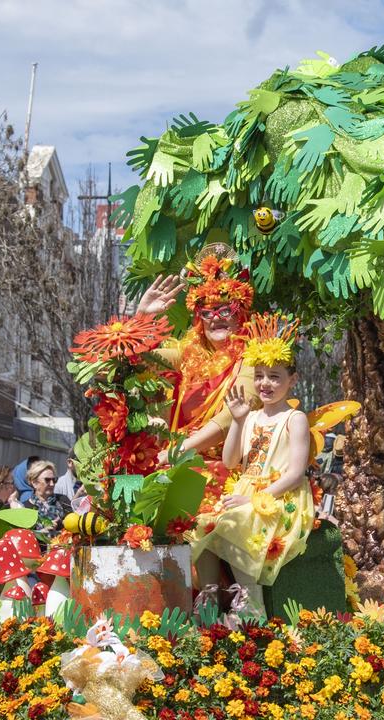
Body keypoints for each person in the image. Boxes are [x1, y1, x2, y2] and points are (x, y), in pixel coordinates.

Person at [188, 314, 314, 611]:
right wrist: (238, 420)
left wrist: (254, 497)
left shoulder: (294, 419)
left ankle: (250, 607)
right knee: (203, 526)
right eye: (259, 375)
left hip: (278, 497)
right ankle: (211, 603)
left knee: (236, 523)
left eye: (274, 376)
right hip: (245, 494)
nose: (265, 383)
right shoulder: (252, 415)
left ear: (292, 380)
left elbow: (296, 473)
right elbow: (230, 461)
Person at [136, 247, 262, 457]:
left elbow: (234, 412)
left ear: (240, 314)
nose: (215, 318)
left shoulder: (255, 356)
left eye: (225, 310)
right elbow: (136, 362)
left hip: (227, 470)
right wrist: (142, 318)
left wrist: (179, 451)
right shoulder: (186, 354)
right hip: (175, 464)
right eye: (207, 312)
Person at [21, 461, 73, 537]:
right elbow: (24, 536)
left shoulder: (63, 500)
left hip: (63, 547)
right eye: (47, 480)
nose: (52, 484)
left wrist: (63, 523)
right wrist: (41, 532)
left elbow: (74, 524)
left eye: (54, 480)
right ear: (34, 483)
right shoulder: (25, 508)